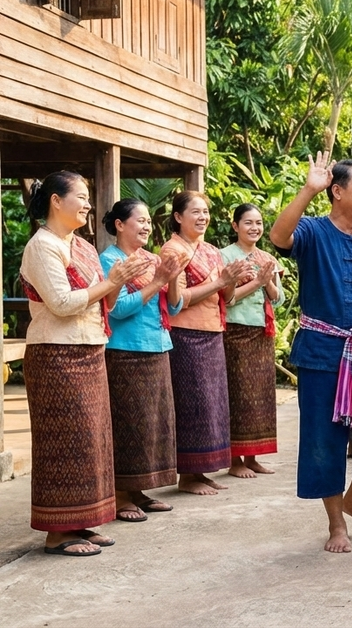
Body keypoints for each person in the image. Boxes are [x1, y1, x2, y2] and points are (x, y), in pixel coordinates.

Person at [269, 153, 352, 554]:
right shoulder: (311, 231)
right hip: (322, 353)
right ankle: (335, 524)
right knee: (323, 440)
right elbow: (278, 238)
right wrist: (307, 189)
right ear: (337, 191)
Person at [20, 172, 149, 556]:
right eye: (82, 196)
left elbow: (106, 303)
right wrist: (112, 282)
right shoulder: (42, 246)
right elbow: (61, 304)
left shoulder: (86, 248)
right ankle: (57, 532)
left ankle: (84, 521)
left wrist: (119, 282)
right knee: (63, 443)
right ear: (56, 201)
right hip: (55, 353)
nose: (89, 204)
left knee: (91, 441)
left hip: (91, 347)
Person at [160, 192, 253, 495]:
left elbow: (226, 297)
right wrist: (219, 282)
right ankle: (188, 475)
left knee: (212, 405)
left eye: (206, 212)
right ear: (178, 217)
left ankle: (201, 472)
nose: (202, 218)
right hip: (185, 334)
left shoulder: (211, 250)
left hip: (213, 330)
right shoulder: (172, 250)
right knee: (192, 404)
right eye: (195, 212)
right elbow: (178, 301)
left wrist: (232, 281)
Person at [100, 199, 186, 523]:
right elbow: (116, 308)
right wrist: (158, 281)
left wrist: (173, 275)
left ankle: (138, 490)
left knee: (152, 425)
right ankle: (121, 494)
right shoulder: (110, 259)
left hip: (158, 347)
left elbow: (174, 308)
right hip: (125, 352)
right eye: (140, 220)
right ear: (120, 225)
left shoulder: (153, 259)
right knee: (128, 424)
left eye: (150, 221)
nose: (148, 226)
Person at [221, 203, 284, 479]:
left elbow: (277, 299)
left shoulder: (266, 256)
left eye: (258, 223)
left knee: (259, 396)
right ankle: (235, 460)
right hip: (234, 331)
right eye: (248, 222)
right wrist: (257, 282)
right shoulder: (224, 256)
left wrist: (267, 280)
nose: (254, 228)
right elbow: (228, 298)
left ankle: (253, 456)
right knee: (238, 394)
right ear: (235, 226)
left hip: (261, 333)